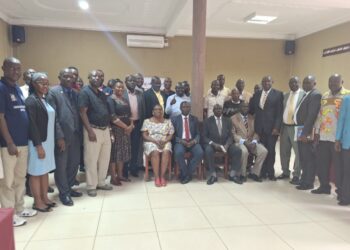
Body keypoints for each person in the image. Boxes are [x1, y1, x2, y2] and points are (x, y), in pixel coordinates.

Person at [0, 57, 37, 227]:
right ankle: (9, 214)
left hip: (22, 142)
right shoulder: (1, 88)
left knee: (20, 178)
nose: (16, 72)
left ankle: (20, 208)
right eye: (12, 68)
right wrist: (9, 142)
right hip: (9, 144)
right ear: (3, 68)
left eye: (18, 68)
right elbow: (1, 117)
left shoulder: (17, 89)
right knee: (7, 181)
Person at [46, 68, 83, 206]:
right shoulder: (53, 92)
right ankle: (64, 193)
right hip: (63, 136)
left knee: (74, 164)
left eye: (71, 76)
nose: (69, 79)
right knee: (61, 165)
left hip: (75, 135)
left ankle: (69, 187)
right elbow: (53, 117)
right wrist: (59, 137)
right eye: (65, 76)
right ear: (59, 77)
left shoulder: (75, 93)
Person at [313, 74, 350, 194]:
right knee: (322, 163)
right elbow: (320, 115)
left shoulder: (347, 95)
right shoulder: (325, 95)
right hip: (323, 135)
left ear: (342, 82)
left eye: (335, 82)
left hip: (338, 139)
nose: (332, 84)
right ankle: (324, 186)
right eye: (330, 82)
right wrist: (317, 131)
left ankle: (340, 189)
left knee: (339, 166)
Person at [78, 70, 113, 197]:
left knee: (104, 159)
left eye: (101, 76)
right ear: (89, 77)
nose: (98, 78)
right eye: (95, 75)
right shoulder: (85, 92)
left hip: (105, 130)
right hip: (93, 130)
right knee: (91, 160)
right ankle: (91, 185)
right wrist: (90, 131)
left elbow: (106, 113)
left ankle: (101, 182)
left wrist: (109, 129)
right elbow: (82, 112)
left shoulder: (101, 93)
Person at [25, 72, 56, 212]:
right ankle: (37, 201)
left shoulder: (44, 99)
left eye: (46, 83)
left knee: (45, 171)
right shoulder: (31, 100)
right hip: (37, 143)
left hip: (48, 141)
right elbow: (32, 124)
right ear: (33, 84)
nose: (45, 85)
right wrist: (38, 146)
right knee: (36, 172)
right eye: (41, 82)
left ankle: (45, 198)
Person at [249, 76, 283, 180]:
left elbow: (279, 113)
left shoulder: (278, 94)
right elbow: (252, 109)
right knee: (262, 151)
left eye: (268, 81)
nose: (266, 83)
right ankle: (262, 172)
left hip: (272, 129)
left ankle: (271, 172)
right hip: (259, 129)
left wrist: (277, 127)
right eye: (264, 81)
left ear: (272, 82)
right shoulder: (257, 94)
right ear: (261, 83)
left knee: (271, 151)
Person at [203, 104, 242, 185]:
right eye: (216, 109)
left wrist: (227, 145)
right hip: (213, 144)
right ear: (213, 111)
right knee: (208, 150)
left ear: (222, 110)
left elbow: (231, 135)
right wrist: (213, 144)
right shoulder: (207, 121)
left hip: (225, 144)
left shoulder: (228, 120)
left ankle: (232, 174)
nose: (218, 110)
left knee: (237, 151)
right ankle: (213, 175)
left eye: (220, 109)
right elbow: (204, 136)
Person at [294, 75, 322, 190]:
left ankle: (308, 182)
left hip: (306, 131)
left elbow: (311, 116)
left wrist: (304, 133)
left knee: (308, 158)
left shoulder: (315, 95)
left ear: (314, 83)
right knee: (302, 157)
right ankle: (304, 179)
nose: (305, 85)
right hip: (301, 129)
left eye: (308, 83)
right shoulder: (307, 94)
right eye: (304, 83)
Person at [278, 77, 305, 184]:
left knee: (298, 152)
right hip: (285, 126)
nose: (293, 84)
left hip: (297, 127)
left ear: (299, 83)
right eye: (291, 82)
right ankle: (285, 172)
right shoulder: (286, 95)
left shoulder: (304, 95)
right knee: (283, 151)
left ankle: (296, 174)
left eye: (295, 82)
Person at [231, 102, 267, 182]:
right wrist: (243, 142)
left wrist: (254, 141)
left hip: (252, 141)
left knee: (263, 151)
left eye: (247, 107)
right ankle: (242, 174)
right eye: (243, 107)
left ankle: (254, 173)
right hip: (239, 142)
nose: (245, 108)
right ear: (239, 108)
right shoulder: (233, 118)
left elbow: (256, 132)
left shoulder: (252, 118)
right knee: (244, 151)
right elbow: (233, 134)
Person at [141, 105, 174, 187]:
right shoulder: (147, 121)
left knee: (166, 151)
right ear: (153, 111)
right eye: (156, 109)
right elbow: (144, 135)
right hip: (151, 141)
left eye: (160, 109)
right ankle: (157, 177)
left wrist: (165, 140)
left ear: (162, 111)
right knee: (155, 152)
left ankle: (162, 176)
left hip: (164, 141)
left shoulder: (168, 121)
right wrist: (155, 141)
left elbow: (171, 134)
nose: (158, 111)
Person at [107, 80, 133, 185]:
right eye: (118, 87)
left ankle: (120, 175)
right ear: (113, 88)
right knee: (114, 154)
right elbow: (112, 117)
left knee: (122, 154)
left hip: (126, 131)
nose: (120, 89)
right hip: (115, 130)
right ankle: (113, 177)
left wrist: (131, 125)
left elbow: (130, 114)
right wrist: (126, 127)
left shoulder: (124, 99)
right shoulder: (110, 99)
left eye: (122, 87)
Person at [172, 101, 203, 184]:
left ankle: (185, 173)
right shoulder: (175, 119)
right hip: (180, 142)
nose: (186, 108)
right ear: (180, 108)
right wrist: (181, 141)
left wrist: (194, 141)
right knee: (178, 153)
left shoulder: (194, 119)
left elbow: (198, 134)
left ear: (190, 108)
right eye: (184, 107)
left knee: (200, 152)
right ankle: (187, 174)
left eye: (188, 107)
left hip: (193, 141)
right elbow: (172, 135)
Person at [123, 74, 145, 178]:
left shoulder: (140, 94)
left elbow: (143, 109)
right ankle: (124, 170)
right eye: (129, 80)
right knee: (125, 147)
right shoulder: (122, 94)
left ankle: (133, 168)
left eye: (133, 81)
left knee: (135, 147)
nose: (132, 82)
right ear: (125, 82)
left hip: (137, 124)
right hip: (124, 125)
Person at [335, 95, 350, 205]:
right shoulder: (347, 99)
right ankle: (345, 197)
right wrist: (337, 139)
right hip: (347, 142)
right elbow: (341, 120)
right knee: (347, 171)